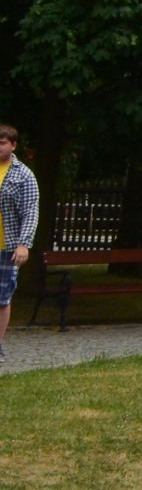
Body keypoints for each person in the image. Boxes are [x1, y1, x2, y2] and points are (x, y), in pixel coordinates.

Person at [0, 125, 38, 360]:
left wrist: (24, 244)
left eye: (2, 142)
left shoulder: (23, 175)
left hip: (7, 246)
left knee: (2, 297)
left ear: (13, 145)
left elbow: (30, 212)